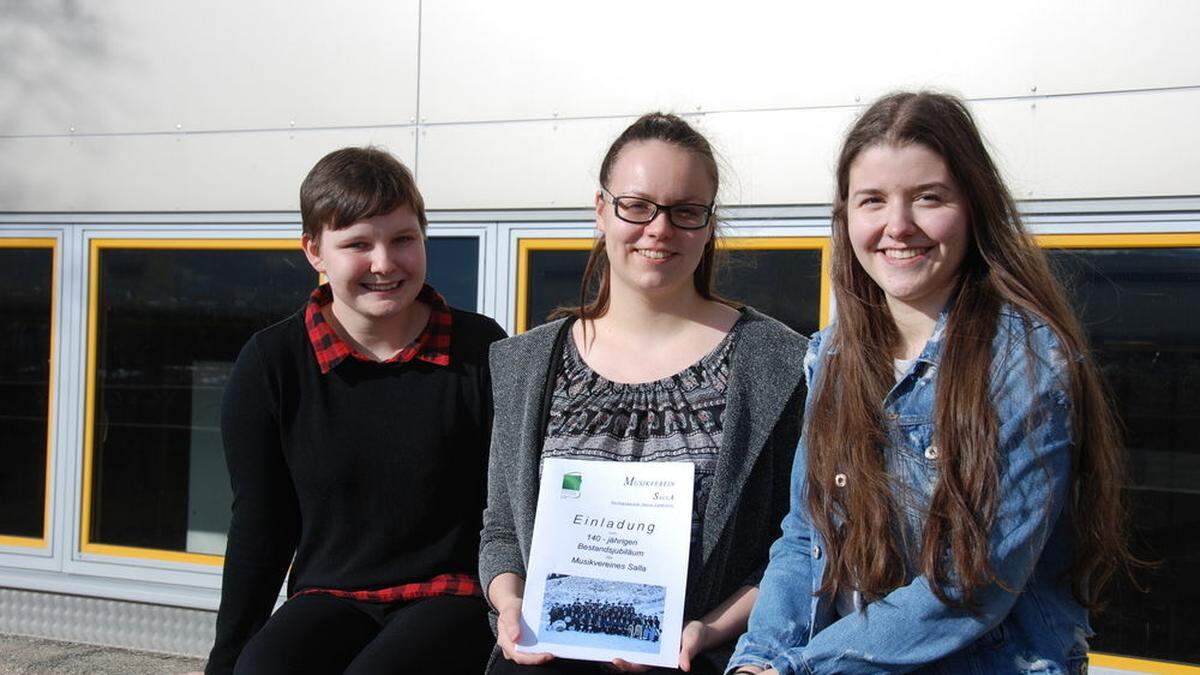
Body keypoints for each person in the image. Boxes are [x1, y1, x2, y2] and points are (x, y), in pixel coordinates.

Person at [727, 92, 1136, 675]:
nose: (898, 226)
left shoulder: (1025, 362)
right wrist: (760, 659)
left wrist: (799, 669)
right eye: (873, 201)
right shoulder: (836, 353)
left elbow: (971, 584)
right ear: (846, 217)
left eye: (928, 198)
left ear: (973, 206)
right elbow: (803, 538)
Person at [481, 113, 808, 675]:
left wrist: (710, 631)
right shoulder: (525, 364)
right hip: (546, 660)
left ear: (709, 223)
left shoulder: (779, 363)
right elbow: (503, 532)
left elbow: (796, 544)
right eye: (637, 205)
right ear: (601, 210)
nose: (660, 229)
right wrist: (511, 607)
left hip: (695, 662)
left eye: (686, 211)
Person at [205, 147, 506, 674]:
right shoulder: (273, 363)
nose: (384, 263)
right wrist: (227, 656)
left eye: (403, 240)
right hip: (328, 596)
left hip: (452, 598)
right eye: (357, 244)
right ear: (314, 251)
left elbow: (512, 500)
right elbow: (260, 522)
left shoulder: (481, 349)